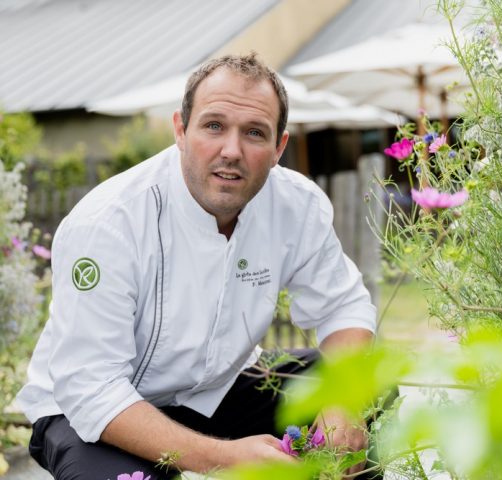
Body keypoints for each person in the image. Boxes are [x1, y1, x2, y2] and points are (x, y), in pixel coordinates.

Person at [17, 53, 378, 479]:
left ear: (279, 147)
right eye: (213, 126)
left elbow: (343, 308)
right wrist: (222, 457)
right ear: (180, 131)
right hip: (91, 411)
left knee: (366, 383)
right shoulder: (108, 223)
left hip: (213, 391)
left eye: (254, 133)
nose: (232, 151)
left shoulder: (295, 204)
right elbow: (92, 388)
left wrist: (344, 403)